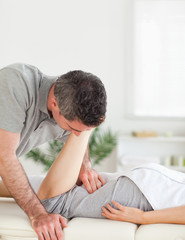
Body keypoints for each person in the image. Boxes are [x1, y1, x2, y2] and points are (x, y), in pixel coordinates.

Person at [0, 63, 107, 240]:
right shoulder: (16, 83)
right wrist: (38, 215)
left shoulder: (69, 106)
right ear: (54, 104)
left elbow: (77, 138)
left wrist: (85, 165)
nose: (77, 135)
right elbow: (4, 157)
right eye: (74, 129)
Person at [1, 130, 185, 225]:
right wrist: (143, 217)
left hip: (151, 180)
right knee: (57, 202)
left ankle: (81, 130)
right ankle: (82, 131)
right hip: (148, 194)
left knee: (57, 187)